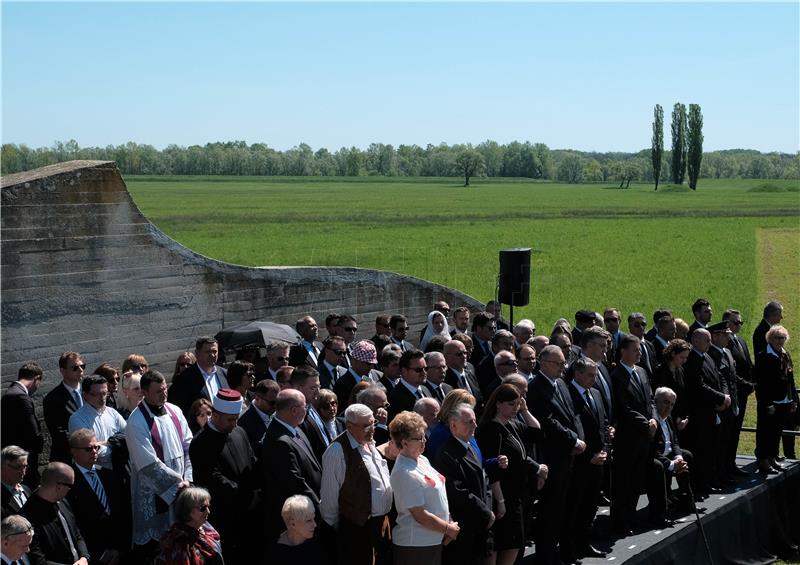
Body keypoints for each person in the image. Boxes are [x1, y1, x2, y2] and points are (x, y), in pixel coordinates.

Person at [126, 370, 193, 557]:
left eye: (165, 389)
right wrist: (179, 486)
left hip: (182, 488)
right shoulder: (136, 421)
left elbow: (188, 446)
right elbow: (148, 464)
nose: (164, 394)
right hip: (156, 493)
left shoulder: (175, 410)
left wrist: (188, 478)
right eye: (158, 391)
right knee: (158, 548)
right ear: (144, 393)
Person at [528, 345, 582, 563]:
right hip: (552, 457)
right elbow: (547, 422)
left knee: (566, 507)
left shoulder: (560, 383)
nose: (563, 367)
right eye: (558, 363)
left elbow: (570, 414)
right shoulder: (536, 388)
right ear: (544, 363)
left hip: (567, 456)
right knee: (550, 510)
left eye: (563, 363)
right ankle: (546, 555)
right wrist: (573, 439)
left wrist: (577, 437)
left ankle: (565, 550)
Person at [189, 389, 257, 565]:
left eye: (236, 419)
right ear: (216, 416)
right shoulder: (201, 443)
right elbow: (212, 479)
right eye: (230, 420)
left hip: (250, 512)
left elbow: (251, 461)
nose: (234, 424)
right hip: (225, 518)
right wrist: (243, 492)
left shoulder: (239, 432)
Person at [320, 403, 393, 565]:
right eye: (366, 426)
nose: (372, 429)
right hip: (358, 529)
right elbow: (329, 499)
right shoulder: (337, 451)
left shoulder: (370, 443)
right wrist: (345, 528)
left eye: (373, 423)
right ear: (349, 426)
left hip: (381, 524)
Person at [389, 411, 458, 565]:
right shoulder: (403, 472)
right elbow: (420, 515)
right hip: (416, 545)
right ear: (404, 442)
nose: (424, 440)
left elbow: (439, 495)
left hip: (433, 539)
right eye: (419, 438)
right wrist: (448, 529)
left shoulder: (422, 460)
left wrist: (449, 522)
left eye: (424, 435)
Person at [433, 403, 494, 565]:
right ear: (453, 425)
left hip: (480, 524)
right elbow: (456, 490)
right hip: (464, 529)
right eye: (469, 422)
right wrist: (484, 512)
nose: (475, 425)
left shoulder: (470, 448)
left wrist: (488, 509)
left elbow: (484, 480)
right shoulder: (446, 454)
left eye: (474, 420)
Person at [563, 357, 609, 561]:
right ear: (578, 373)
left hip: (598, 460)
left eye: (596, 374)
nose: (594, 378)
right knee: (574, 507)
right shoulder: (568, 394)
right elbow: (573, 430)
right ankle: (569, 547)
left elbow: (602, 423)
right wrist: (589, 457)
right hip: (580, 463)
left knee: (590, 506)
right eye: (590, 375)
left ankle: (584, 543)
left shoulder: (596, 394)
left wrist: (606, 446)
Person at [610, 334, 656, 537]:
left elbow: (651, 400)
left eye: (639, 350)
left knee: (637, 479)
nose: (639, 353)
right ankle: (619, 521)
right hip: (628, 438)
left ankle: (630, 515)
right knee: (624, 481)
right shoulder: (617, 376)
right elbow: (624, 407)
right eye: (635, 350)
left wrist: (654, 418)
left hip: (644, 436)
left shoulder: (642, 372)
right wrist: (645, 423)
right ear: (623, 351)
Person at [262, 389, 323, 542]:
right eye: (305, 406)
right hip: (300, 516)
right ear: (294, 410)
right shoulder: (279, 441)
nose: (308, 409)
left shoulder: (296, 429)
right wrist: (320, 506)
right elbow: (295, 481)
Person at [67, 429, 122, 564]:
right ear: (74, 452)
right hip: (95, 554)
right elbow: (76, 523)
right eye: (88, 449)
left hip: (119, 549)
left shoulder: (108, 475)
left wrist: (118, 547)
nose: (94, 452)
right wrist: (99, 553)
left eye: (96, 447)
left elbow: (121, 512)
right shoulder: (69, 483)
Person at [20, 462, 90, 565]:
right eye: (70, 485)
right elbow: (38, 560)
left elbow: (76, 533)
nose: (71, 490)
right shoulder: (26, 518)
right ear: (58, 487)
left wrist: (84, 557)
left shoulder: (63, 501)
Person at [645, 387, 695, 527]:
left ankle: (687, 500)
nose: (669, 407)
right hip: (656, 457)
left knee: (687, 456)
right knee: (658, 467)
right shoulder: (652, 421)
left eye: (672, 404)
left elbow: (675, 441)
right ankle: (658, 514)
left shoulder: (669, 418)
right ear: (656, 402)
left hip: (669, 453)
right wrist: (672, 464)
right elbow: (652, 450)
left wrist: (678, 457)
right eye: (666, 402)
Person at [754, 325, 797, 472]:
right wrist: (767, 403)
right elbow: (761, 384)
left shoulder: (785, 354)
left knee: (776, 432)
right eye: (777, 338)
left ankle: (772, 458)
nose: (780, 341)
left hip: (784, 400)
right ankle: (763, 460)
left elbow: (791, 379)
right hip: (770, 402)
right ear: (770, 339)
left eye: (783, 338)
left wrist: (794, 400)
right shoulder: (764, 356)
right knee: (765, 432)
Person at [68, 374, 127, 470]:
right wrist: (119, 448)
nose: (102, 397)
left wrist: (106, 443)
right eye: (96, 394)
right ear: (85, 395)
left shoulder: (112, 413)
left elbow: (129, 435)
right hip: (96, 472)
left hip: (119, 469)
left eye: (104, 393)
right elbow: (91, 451)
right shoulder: (77, 419)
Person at [722, 309, 756, 475]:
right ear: (727, 324)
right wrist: (748, 385)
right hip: (734, 393)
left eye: (740, 323)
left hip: (743, 393)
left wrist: (754, 382)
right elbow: (730, 374)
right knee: (728, 433)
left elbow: (748, 364)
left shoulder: (740, 341)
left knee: (736, 432)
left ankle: (731, 464)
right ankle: (725, 465)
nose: (739, 326)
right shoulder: (725, 343)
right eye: (736, 323)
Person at [1, 363, 44, 488]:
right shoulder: (21, 397)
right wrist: (39, 445)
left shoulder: (10, 393)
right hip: (23, 459)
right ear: (36, 378)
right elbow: (33, 432)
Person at [158, 486, 223, 565]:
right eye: (202, 508)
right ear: (187, 510)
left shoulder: (206, 530)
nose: (208, 512)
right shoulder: (179, 543)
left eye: (208, 507)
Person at [168, 337, 229, 417]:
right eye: (208, 352)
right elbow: (179, 410)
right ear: (197, 353)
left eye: (215, 351)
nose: (212, 355)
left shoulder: (225, 374)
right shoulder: (184, 379)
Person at [43, 351, 86, 464]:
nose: (80, 370)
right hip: (68, 458)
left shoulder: (90, 391)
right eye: (75, 368)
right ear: (62, 371)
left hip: (93, 454)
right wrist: (84, 444)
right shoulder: (53, 398)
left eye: (82, 366)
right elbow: (58, 432)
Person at [271, 495, 326, 565]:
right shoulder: (276, 555)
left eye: (313, 518)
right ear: (293, 524)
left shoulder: (315, 544)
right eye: (308, 520)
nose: (315, 524)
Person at [652, 339, 692, 431]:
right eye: (682, 357)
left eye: (686, 358)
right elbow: (660, 399)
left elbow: (683, 395)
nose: (684, 361)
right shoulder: (660, 371)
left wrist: (684, 417)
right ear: (673, 354)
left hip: (681, 419)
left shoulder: (680, 370)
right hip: (666, 418)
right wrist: (676, 418)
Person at [334, 340, 382, 414]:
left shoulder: (370, 380)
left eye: (373, 363)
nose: (372, 367)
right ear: (355, 360)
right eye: (368, 363)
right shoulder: (342, 384)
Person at [388, 350, 432, 423]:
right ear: (404, 371)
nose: (424, 373)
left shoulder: (426, 389)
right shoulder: (395, 398)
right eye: (419, 370)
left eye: (426, 369)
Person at [237, 378, 279, 454]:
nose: (276, 406)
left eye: (278, 402)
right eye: (272, 403)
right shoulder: (242, 422)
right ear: (257, 398)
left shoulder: (279, 414)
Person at [1, 446, 32, 516]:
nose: (23, 472)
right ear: (2, 466)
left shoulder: (26, 489)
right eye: (18, 467)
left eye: (25, 467)